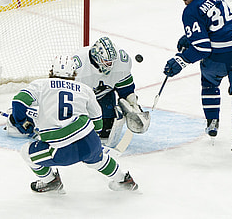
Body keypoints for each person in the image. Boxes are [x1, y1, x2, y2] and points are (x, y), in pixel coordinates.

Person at [163, 0, 232, 167]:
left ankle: (212, 122)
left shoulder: (189, 12)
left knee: (209, 82)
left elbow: (202, 48)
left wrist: (180, 60)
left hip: (216, 60)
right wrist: (189, 36)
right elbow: (215, 25)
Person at [10, 55, 138, 193]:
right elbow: (97, 121)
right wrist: (91, 139)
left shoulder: (41, 85)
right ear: (74, 73)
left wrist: (21, 122)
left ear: (52, 71)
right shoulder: (84, 89)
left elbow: (19, 101)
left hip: (61, 149)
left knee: (26, 152)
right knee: (97, 158)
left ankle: (51, 181)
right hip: (88, 138)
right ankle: (125, 180)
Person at [72, 36, 150, 146]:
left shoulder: (122, 61)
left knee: (105, 130)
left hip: (104, 96)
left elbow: (125, 88)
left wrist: (133, 105)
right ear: (96, 57)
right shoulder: (78, 65)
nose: (111, 65)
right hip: (81, 100)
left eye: (112, 62)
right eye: (106, 62)